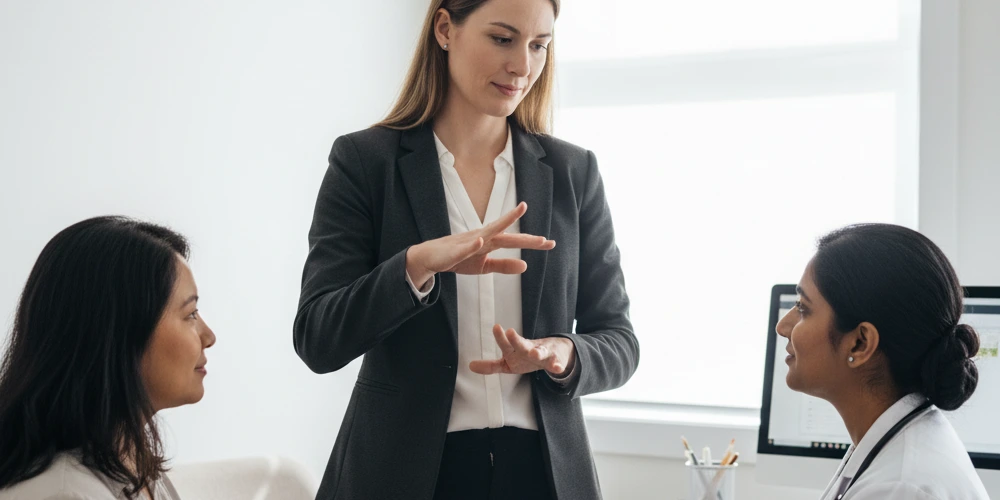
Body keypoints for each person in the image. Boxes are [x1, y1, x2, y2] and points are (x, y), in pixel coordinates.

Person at [292, 0, 639, 498]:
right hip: (405, 474)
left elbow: (620, 341)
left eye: (539, 45)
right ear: (444, 29)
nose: (522, 66)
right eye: (502, 39)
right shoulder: (365, 163)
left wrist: (560, 352)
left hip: (543, 475)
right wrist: (414, 267)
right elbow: (318, 338)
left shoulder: (573, 172)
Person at [0, 216, 216, 500]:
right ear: (120, 333)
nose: (209, 336)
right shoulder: (64, 493)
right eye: (190, 314)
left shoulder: (133, 466)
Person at [776, 223, 989, 499]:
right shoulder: (897, 440)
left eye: (803, 308)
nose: (782, 326)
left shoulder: (899, 488)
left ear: (860, 343)